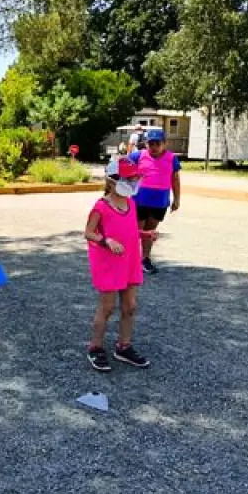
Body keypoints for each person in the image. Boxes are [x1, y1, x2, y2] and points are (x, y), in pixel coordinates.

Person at [84, 157, 156, 372]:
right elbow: (88, 233)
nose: (133, 182)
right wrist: (106, 241)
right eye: (128, 179)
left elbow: (129, 229)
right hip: (109, 262)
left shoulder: (131, 204)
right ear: (112, 180)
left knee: (130, 306)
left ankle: (124, 346)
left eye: (134, 178)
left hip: (129, 260)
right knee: (107, 307)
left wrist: (144, 234)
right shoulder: (101, 206)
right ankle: (95, 347)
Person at [128, 128, 181, 274]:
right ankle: (131, 260)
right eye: (151, 144)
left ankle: (145, 259)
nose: (154, 147)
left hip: (159, 201)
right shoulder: (138, 155)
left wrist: (177, 199)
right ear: (146, 144)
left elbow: (175, 180)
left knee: (149, 232)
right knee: (137, 231)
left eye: (158, 144)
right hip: (140, 200)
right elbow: (122, 167)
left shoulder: (171, 158)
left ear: (164, 144)